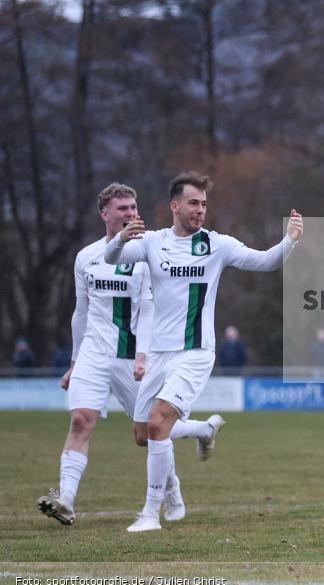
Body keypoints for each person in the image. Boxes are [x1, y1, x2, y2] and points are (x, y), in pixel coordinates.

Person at [104, 170, 303, 532]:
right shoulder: (153, 242)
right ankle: (201, 431)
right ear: (174, 206)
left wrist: (289, 240)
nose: (200, 210)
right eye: (194, 203)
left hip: (195, 353)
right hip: (160, 355)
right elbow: (112, 259)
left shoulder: (217, 244)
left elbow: (266, 261)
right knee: (142, 434)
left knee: (158, 422)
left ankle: (150, 513)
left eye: (205, 204)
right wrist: (120, 238)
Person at [37, 183, 218, 527]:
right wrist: (74, 364)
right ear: (105, 214)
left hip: (132, 357)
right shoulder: (86, 257)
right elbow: (81, 312)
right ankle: (66, 500)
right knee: (80, 421)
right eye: (123, 209)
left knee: (147, 433)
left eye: (134, 208)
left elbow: (149, 309)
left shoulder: (148, 254)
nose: (131, 214)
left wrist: (143, 356)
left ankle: (183, 467)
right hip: (93, 353)